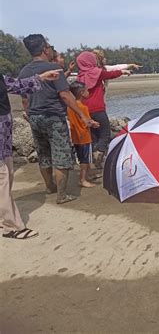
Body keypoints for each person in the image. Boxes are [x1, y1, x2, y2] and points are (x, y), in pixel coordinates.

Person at [18, 34, 99, 204]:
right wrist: (83, 115)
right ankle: (61, 195)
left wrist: (30, 113)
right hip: (53, 117)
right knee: (61, 155)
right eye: (49, 46)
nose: (50, 49)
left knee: (44, 154)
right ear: (44, 49)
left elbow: (24, 99)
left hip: (35, 117)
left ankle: (50, 186)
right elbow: (65, 96)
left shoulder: (24, 71)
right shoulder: (54, 70)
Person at [1, 70, 60, 239]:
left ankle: (4, 217)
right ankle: (12, 226)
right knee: (2, 179)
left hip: (4, 136)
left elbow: (16, 85)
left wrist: (41, 77)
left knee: (8, 176)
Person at [76, 51, 130, 168]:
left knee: (94, 136)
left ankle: (97, 161)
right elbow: (110, 74)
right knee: (105, 134)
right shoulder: (97, 72)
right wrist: (123, 71)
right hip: (98, 109)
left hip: (85, 110)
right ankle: (99, 153)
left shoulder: (80, 76)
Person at [68, 81, 100, 188]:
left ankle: (88, 175)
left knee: (82, 157)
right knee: (85, 159)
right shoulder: (82, 107)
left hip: (75, 136)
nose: (88, 92)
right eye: (86, 90)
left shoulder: (71, 106)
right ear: (81, 92)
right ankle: (82, 179)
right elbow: (88, 121)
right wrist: (94, 123)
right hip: (84, 136)